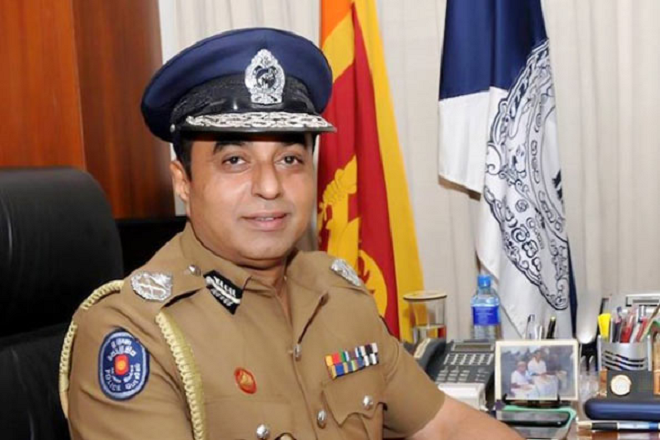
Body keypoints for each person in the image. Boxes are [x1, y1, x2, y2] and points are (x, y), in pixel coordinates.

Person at [59, 28, 520, 439]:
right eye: (234, 161)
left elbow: (444, 424)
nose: (270, 186)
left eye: (290, 159)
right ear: (183, 181)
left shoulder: (339, 294)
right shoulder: (136, 332)